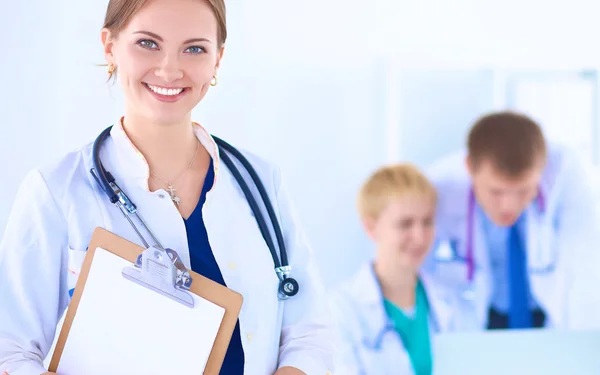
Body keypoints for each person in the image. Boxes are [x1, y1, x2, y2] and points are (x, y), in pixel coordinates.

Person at [0, 0, 335, 374]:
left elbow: (309, 332)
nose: (170, 69)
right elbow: (10, 351)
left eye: (194, 49)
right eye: (148, 43)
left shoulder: (262, 182)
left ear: (217, 60)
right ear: (110, 46)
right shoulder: (55, 192)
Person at [424, 110, 600, 330]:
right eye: (496, 192)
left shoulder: (568, 175)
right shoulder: (439, 187)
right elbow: (418, 270)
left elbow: (585, 263)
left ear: (542, 169)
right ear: (469, 167)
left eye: (524, 190)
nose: (509, 205)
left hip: (549, 313)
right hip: (479, 314)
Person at [330, 164, 477, 375]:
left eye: (427, 222)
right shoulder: (341, 310)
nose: (419, 237)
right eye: (405, 224)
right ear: (371, 227)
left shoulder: (454, 301)